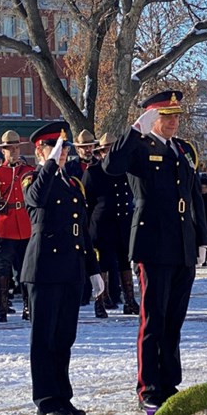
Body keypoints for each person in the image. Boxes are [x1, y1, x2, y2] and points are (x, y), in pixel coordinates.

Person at [103, 90, 207, 410]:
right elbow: (111, 165)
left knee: (174, 318)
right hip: (153, 244)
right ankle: (148, 385)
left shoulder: (183, 149)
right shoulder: (139, 147)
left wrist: (202, 238)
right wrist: (135, 130)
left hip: (181, 244)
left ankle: (168, 382)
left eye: (176, 116)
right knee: (153, 318)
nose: (173, 122)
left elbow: (193, 197)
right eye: (166, 116)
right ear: (152, 119)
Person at [21, 123, 104, 415]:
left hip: (70, 269)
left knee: (64, 338)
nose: (62, 153)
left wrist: (93, 269)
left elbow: (80, 229)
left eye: (64, 148)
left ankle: (62, 397)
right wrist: (49, 164)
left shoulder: (72, 184)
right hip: (43, 269)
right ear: (39, 151)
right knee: (43, 338)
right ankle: (45, 400)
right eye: (54, 148)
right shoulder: (33, 179)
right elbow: (36, 200)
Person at [83, 132, 138, 317]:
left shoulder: (127, 170)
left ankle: (130, 300)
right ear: (101, 152)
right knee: (103, 265)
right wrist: (88, 229)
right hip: (102, 225)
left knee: (125, 262)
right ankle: (101, 301)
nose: (110, 153)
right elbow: (87, 203)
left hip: (123, 223)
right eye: (107, 150)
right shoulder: (93, 172)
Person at [0, 130, 34, 322]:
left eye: (17, 149)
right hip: (5, 226)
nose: (14, 152)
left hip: (25, 226)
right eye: (10, 149)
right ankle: (2, 307)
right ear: (4, 151)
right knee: (3, 269)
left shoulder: (28, 171)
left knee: (26, 269)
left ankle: (28, 307)